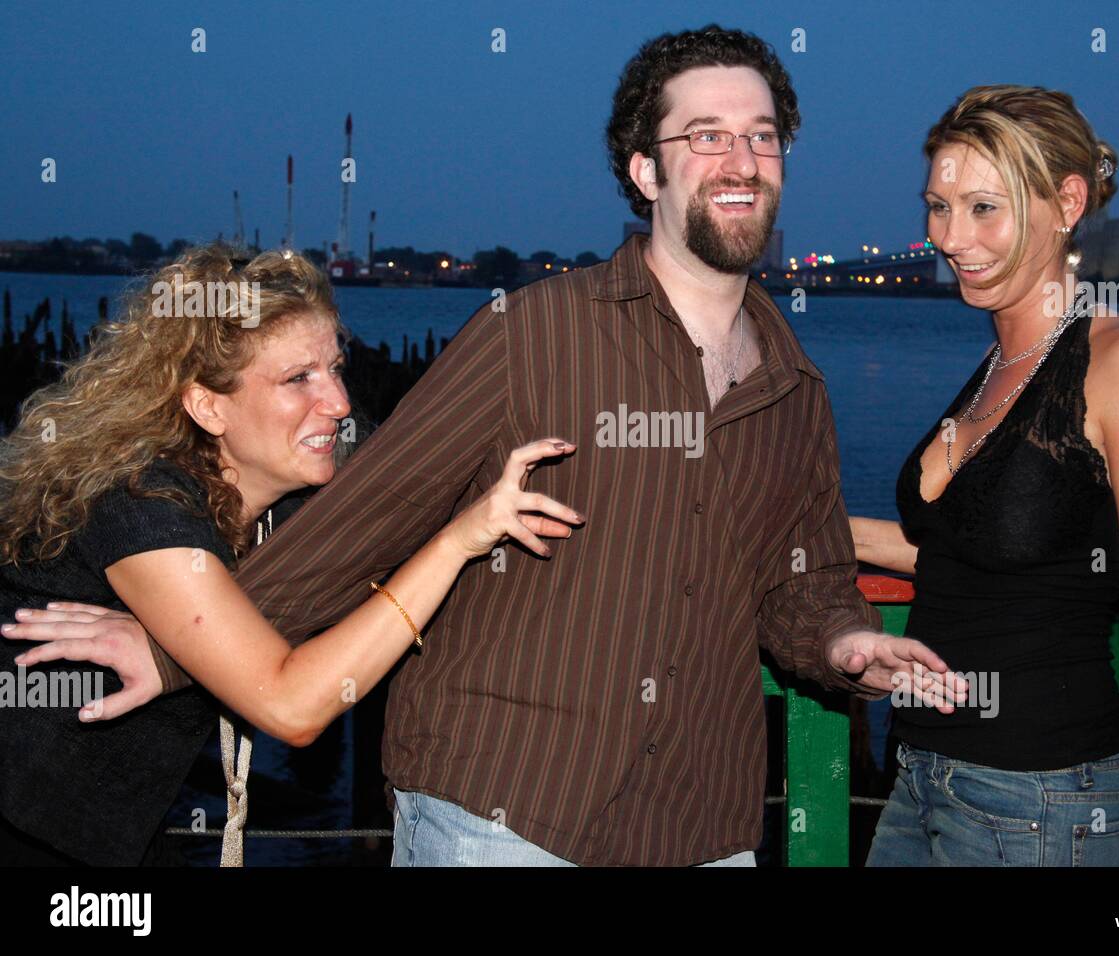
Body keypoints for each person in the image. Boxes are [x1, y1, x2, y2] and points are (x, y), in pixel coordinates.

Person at [27, 25, 962, 867]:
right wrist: (180, 648)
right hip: (503, 816)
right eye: (706, 134)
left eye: (762, 135)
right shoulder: (536, 334)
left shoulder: (797, 389)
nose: (741, 158)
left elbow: (799, 578)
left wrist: (844, 641)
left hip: (699, 825)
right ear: (647, 171)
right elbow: (370, 511)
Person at [0, 244, 581, 866]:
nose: (336, 402)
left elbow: (419, 489)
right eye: (297, 378)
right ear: (207, 406)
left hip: (124, 831)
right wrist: (457, 542)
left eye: (336, 367)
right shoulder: (140, 504)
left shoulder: (294, 495)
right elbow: (291, 706)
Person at [852, 85, 1119, 866]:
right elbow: (977, 557)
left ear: (1067, 203)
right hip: (919, 776)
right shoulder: (1000, 367)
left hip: (1041, 797)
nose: (952, 237)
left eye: (984, 207)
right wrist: (786, 525)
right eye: (938, 206)